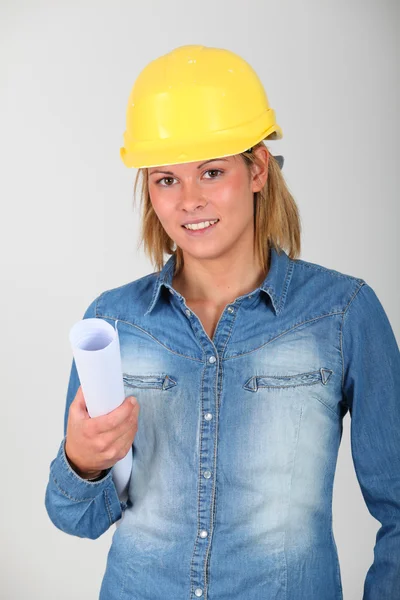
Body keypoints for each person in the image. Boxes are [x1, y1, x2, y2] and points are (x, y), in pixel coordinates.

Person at [45, 44, 400, 600]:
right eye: (166, 179)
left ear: (257, 169)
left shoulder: (342, 315)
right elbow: (77, 520)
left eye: (211, 172)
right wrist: (82, 463)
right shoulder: (113, 324)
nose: (189, 201)